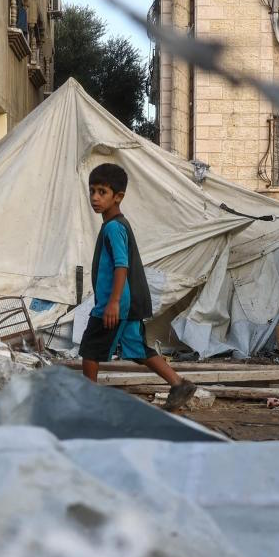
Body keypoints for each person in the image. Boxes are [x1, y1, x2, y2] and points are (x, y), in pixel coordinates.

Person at [79, 163, 197, 411]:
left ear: (118, 197)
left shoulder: (113, 227)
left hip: (116, 304)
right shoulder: (116, 225)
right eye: (92, 191)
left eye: (102, 192)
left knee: (90, 349)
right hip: (125, 302)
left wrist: (112, 303)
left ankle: (87, 401)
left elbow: (122, 266)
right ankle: (178, 383)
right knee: (135, 348)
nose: (95, 197)